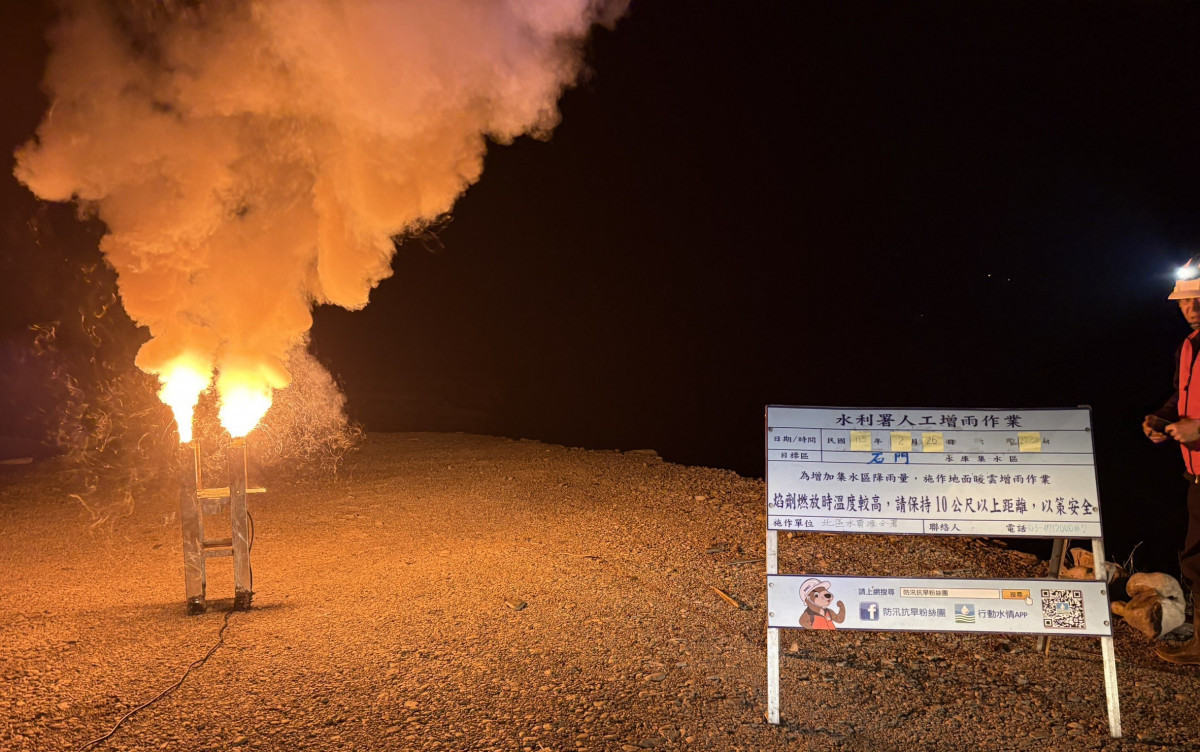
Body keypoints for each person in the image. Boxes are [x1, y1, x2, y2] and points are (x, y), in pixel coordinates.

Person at [1144, 255, 1200, 664]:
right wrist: (1165, 418)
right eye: (1184, 301)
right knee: (1195, 557)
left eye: (1198, 299)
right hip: (1196, 473)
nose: (1190, 308)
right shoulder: (1190, 344)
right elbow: (1185, 397)